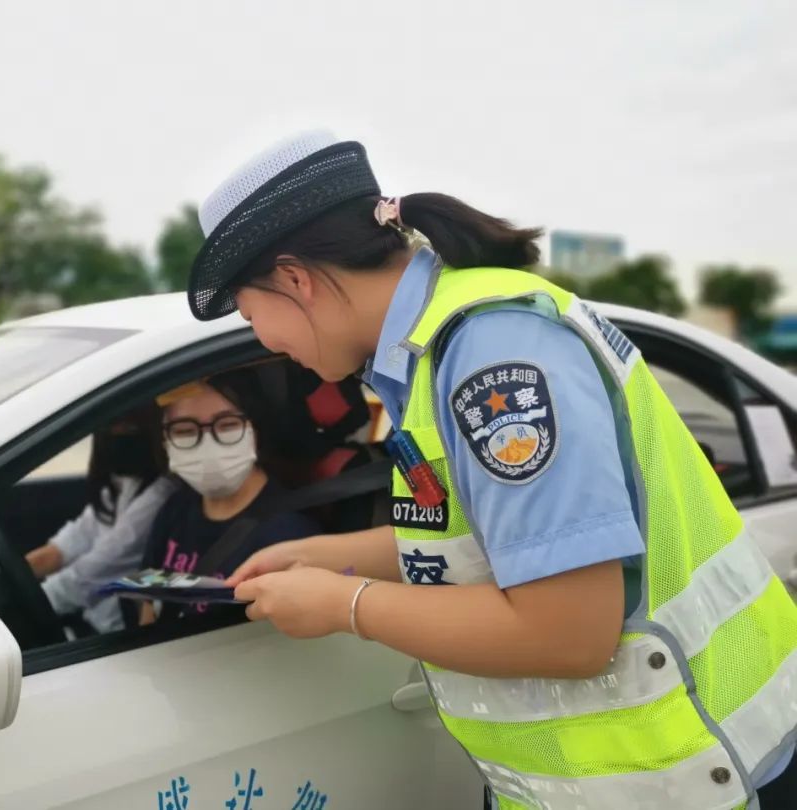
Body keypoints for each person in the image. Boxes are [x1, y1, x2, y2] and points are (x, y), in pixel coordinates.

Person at [185, 131, 797, 808]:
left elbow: (569, 630)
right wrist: (323, 555)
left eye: (251, 314)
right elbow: (497, 543)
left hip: (698, 777)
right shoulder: (427, 356)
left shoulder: (492, 356)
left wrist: (345, 605)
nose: (265, 342)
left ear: (297, 279)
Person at [138, 372, 320, 625]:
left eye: (227, 425)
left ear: (255, 429)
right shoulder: (174, 509)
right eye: (185, 430)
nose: (208, 444)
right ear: (165, 441)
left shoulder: (289, 535)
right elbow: (148, 601)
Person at [24, 408, 176, 634]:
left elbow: (92, 573)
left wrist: (25, 605)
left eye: (131, 427)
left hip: (116, 634)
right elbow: (62, 548)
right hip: (90, 621)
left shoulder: (162, 496)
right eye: (112, 427)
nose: (120, 434)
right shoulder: (118, 487)